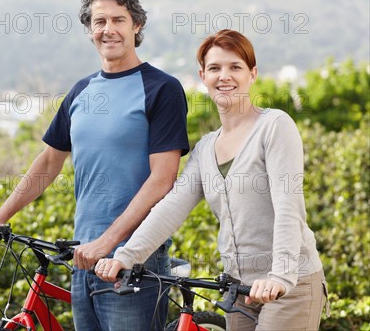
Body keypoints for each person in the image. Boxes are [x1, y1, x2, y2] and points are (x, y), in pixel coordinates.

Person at [0, 0, 190, 330]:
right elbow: (48, 161)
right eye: (99, 21)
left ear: (137, 24)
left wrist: (108, 242)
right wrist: (0, 215)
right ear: (89, 29)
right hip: (82, 258)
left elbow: (163, 179)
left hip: (134, 261)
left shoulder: (161, 89)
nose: (109, 29)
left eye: (118, 20)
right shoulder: (81, 91)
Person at [96, 29, 328, 331]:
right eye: (215, 68)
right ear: (203, 75)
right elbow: (171, 208)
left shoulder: (275, 127)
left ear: (252, 73)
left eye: (235, 67)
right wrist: (126, 257)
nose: (225, 76)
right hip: (239, 291)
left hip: (290, 285)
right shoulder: (206, 147)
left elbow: (288, 208)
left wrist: (280, 277)